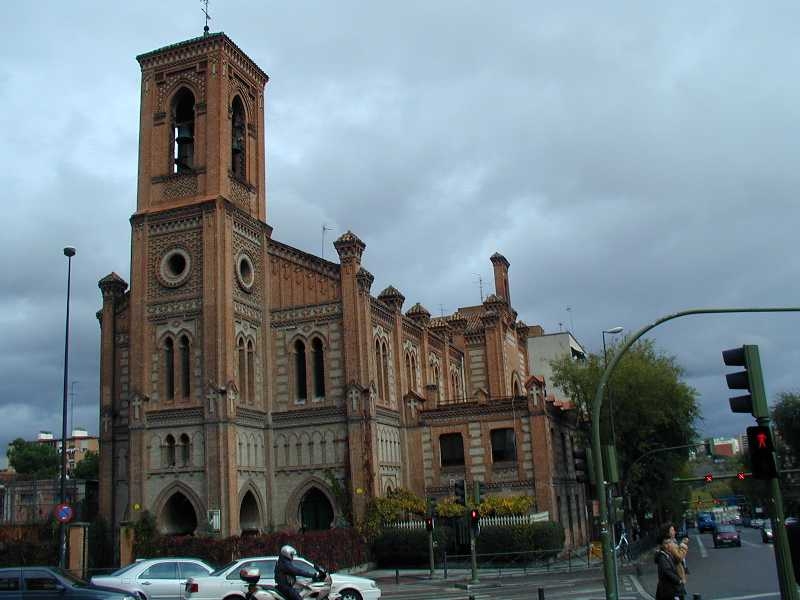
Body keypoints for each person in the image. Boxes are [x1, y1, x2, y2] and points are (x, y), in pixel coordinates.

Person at [654, 525, 685, 600]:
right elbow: (667, 571)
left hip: (671, 587)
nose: (668, 545)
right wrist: (678, 580)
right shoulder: (662, 556)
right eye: (666, 543)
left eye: (669, 543)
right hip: (669, 589)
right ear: (661, 545)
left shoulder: (668, 554)